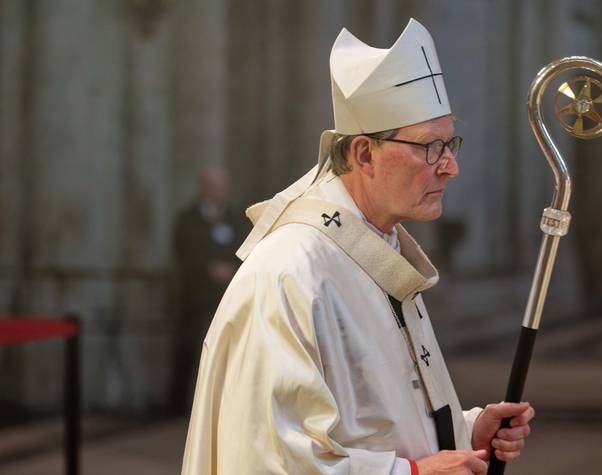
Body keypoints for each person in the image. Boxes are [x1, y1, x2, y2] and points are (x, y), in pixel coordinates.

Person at [182, 19, 534, 475]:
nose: (450, 168)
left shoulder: (376, 250)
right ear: (364, 154)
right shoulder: (291, 271)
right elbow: (268, 455)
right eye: (429, 147)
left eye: (451, 143)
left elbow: (373, 416)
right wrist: (411, 474)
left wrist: (466, 432)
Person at [171, 166, 249, 413]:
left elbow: (245, 247)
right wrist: (209, 268)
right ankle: (178, 407)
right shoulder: (188, 218)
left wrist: (233, 269)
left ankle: (225, 407)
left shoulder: (236, 219)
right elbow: (185, 250)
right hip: (196, 296)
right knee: (189, 348)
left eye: (223, 187)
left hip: (227, 294)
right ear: (204, 188)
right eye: (215, 187)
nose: (220, 192)